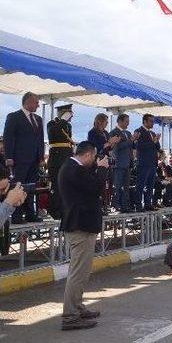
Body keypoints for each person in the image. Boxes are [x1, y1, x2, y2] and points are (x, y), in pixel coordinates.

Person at [58, 141, 110, 330]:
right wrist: (103, 169)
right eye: (94, 157)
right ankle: (70, 316)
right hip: (80, 226)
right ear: (88, 155)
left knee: (81, 272)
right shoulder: (74, 169)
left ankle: (77, 307)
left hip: (82, 224)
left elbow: (88, 182)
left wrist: (99, 165)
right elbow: (95, 187)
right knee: (78, 273)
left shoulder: (73, 167)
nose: (95, 161)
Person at [3, 92, 45, 223]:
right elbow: (8, 137)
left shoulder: (38, 119)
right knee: (18, 186)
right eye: (36, 102)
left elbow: (40, 139)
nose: (38, 105)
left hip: (34, 159)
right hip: (19, 159)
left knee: (31, 188)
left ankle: (30, 214)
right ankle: (16, 216)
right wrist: (8, 157)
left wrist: (41, 156)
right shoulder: (14, 117)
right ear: (27, 101)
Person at [46, 104, 76, 219]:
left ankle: (64, 209)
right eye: (68, 114)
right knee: (56, 186)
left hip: (66, 158)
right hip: (56, 160)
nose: (70, 117)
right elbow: (57, 133)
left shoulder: (68, 125)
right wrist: (63, 120)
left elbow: (68, 142)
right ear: (62, 113)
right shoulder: (52, 124)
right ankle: (55, 211)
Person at [134, 114, 161, 211]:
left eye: (153, 121)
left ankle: (148, 203)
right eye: (151, 121)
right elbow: (139, 146)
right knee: (141, 184)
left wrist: (157, 141)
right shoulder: (139, 131)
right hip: (143, 162)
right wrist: (152, 142)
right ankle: (138, 205)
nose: (153, 123)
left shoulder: (153, 133)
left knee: (150, 185)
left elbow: (157, 147)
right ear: (145, 121)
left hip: (153, 162)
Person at [109, 114, 135, 213]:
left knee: (126, 187)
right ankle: (117, 206)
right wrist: (131, 140)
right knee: (118, 186)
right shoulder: (113, 132)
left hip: (127, 164)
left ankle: (125, 206)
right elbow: (117, 147)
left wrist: (133, 140)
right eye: (126, 121)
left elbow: (130, 147)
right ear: (120, 121)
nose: (128, 123)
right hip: (118, 164)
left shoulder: (128, 133)